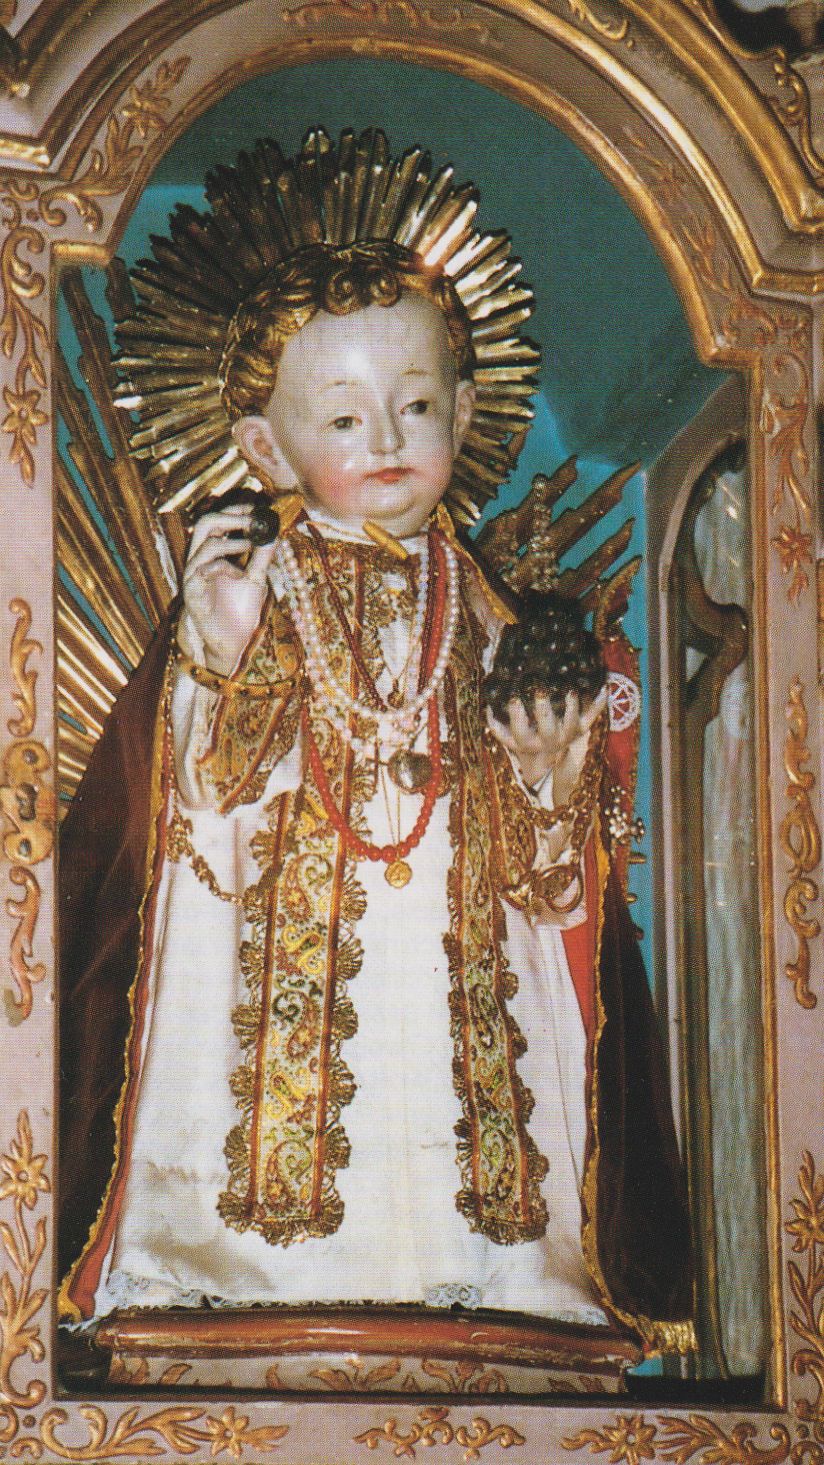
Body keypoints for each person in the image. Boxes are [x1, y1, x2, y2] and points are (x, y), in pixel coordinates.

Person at [58, 238, 692, 1351]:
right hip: (269, 1004)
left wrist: (549, 784)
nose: (385, 441)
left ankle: (498, 1275)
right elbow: (184, 829)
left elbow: (553, 896)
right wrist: (216, 660)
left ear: (462, 406)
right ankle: (224, 1268)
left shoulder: (492, 619)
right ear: (266, 444)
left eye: (413, 406)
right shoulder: (249, 594)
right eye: (343, 418)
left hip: (463, 987)